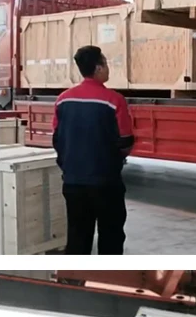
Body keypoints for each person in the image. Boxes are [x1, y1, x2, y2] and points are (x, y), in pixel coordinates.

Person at [52, 45, 135, 254]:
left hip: (73, 183)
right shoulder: (114, 100)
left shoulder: (63, 100)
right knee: (111, 238)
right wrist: (114, 160)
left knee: (77, 239)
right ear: (98, 68)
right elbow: (126, 141)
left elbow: (57, 139)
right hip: (106, 183)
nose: (108, 68)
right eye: (106, 64)